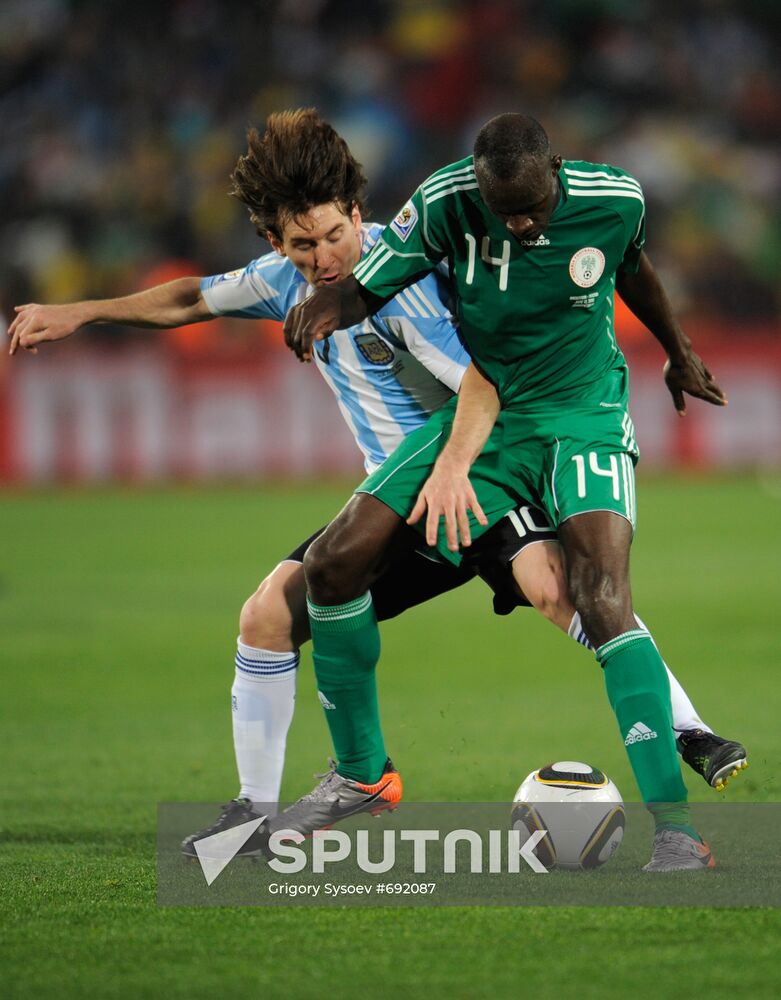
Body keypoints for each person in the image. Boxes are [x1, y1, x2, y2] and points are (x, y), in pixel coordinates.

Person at [9, 111, 744, 865]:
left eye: (334, 236)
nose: (323, 257)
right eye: (303, 245)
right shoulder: (281, 280)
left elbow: (484, 389)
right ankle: (255, 810)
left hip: (472, 473)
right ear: (275, 244)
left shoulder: (412, 277)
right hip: (404, 496)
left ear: (358, 214)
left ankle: (683, 733)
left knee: (570, 594)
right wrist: (80, 312)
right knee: (267, 615)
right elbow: (193, 299)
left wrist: (456, 468)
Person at [279, 113, 741, 871]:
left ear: (555, 169)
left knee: (599, 595)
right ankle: (363, 773)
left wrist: (678, 352)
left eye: (533, 207)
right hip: (489, 412)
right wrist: (329, 307)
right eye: (505, 212)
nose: (521, 223)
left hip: (583, 415)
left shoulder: (615, 198)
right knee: (331, 563)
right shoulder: (442, 201)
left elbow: (631, 269)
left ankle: (677, 830)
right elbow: (370, 282)